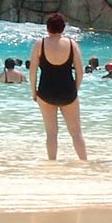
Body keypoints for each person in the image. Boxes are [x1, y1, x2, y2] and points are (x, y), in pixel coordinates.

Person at [31, 12, 87, 161]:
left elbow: (33, 72)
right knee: (76, 133)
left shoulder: (40, 44)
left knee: (51, 133)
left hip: (45, 92)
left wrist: (34, 92)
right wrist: (75, 90)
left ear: (47, 28)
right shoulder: (71, 44)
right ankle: (84, 162)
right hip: (68, 92)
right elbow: (80, 72)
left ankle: (52, 164)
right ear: (63, 28)